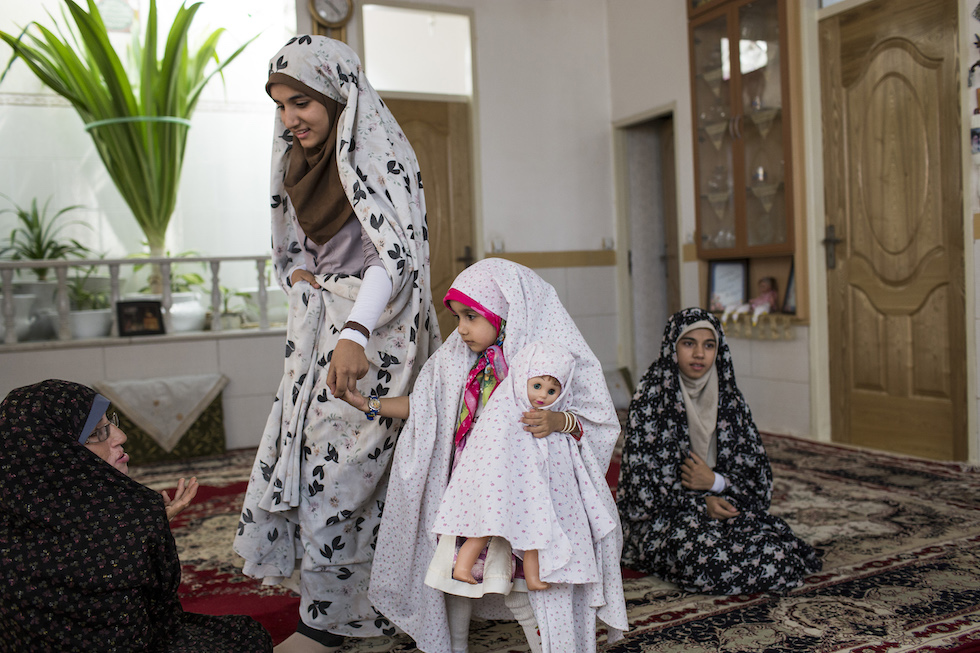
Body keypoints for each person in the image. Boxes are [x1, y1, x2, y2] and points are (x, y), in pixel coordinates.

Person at [232, 35, 440, 653]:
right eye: (280, 105)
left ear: (336, 95)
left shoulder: (373, 156)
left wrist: (354, 333)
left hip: (374, 337)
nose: (290, 118)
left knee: (344, 472)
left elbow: (391, 257)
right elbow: (302, 245)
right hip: (321, 332)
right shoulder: (300, 162)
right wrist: (303, 275)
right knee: (314, 464)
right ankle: (350, 610)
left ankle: (329, 624)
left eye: (301, 102)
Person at [343, 258, 627, 653]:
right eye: (458, 317)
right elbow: (425, 407)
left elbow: (592, 421)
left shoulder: (539, 365)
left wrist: (557, 420)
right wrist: (371, 405)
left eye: (472, 317)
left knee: (523, 586)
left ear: (504, 313)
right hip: (470, 491)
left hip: (521, 496)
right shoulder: (457, 360)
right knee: (456, 579)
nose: (461, 328)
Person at [0, 379, 273, 652]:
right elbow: (157, 617)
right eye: (97, 433)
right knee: (247, 638)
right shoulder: (125, 525)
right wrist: (146, 530)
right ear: (58, 453)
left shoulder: (16, 518)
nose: (120, 436)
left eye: (111, 423)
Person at [617, 308, 822, 595]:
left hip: (723, 504)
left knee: (779, 552)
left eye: (709, 345)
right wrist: (701, 504)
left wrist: (715, 482)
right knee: (706, 561)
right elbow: (642, 490)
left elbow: (758, 478)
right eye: (689, 343)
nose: (699, 354)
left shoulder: (729, 398)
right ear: (672, 346)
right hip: (664, 518)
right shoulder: (651, 398)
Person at [432, 340, 619, 601]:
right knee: (485, 526)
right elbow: (494, 448)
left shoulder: (551, 415)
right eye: (537, 386)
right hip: (504, 485)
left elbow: (564, 446)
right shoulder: (506, 409)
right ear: (523, 380)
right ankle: (463, 567)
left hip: (532, 490)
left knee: (536, 535)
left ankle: (533, 577)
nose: (542, 395)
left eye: (552, 390)